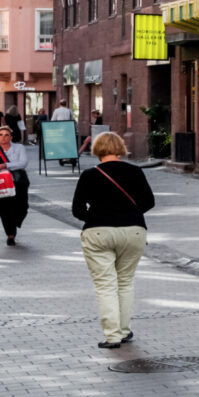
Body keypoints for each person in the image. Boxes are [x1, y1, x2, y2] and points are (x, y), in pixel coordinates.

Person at [72, 128, 155, 347]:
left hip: (98, 232)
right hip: (133, 231)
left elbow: (77, 209)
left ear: (97, 149)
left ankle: (112, 336)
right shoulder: (135, 172)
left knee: (105, 285)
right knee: (125, 282)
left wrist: (96, 216)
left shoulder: (89, 175)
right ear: (120, 148)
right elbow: (149, 202)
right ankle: (124, 331)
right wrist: (130, 213)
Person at [0, 122, 34, 248]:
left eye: (6, 135)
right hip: (1, 183)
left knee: (22, 207)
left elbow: (23, 163)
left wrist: (6, 165)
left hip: (18, 182)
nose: (3, 137)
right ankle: (10, 235)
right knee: (3, 210)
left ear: (11, 137)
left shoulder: (19, 148)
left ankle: (15, 222)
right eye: (0, 135)